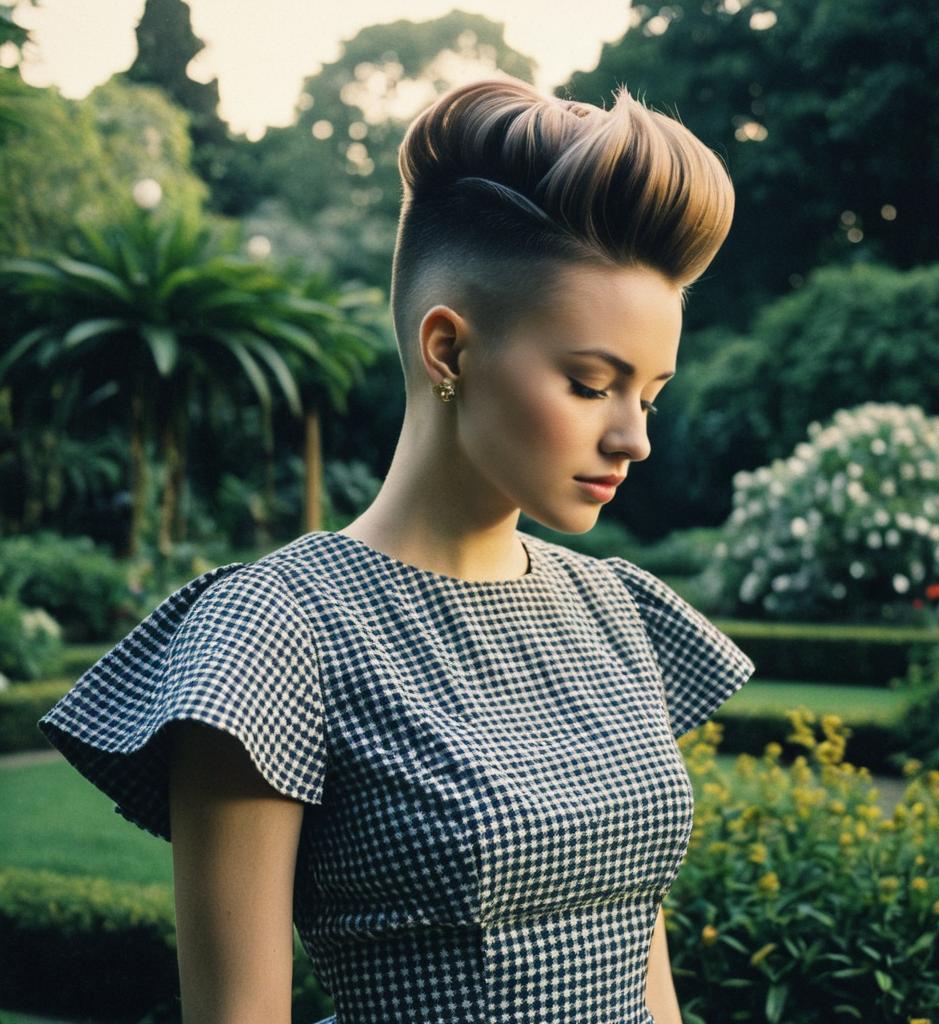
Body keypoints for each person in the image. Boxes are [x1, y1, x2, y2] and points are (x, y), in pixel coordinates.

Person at [38, 72, 755, 1024]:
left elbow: (640, 961)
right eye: (592, 385)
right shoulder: (274, 632)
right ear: (448, 350)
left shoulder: (619, 612)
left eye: (649, 394)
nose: (636, 437)